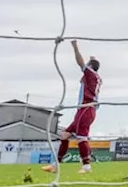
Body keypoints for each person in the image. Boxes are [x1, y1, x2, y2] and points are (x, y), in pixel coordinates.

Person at [43, 40, 102, 174]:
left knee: (82, 137)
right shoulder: (96, 77)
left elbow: (80, 62)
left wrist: (75, 47)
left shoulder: (90, 74)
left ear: (90, 67)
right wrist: (92, 59)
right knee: (64, 135)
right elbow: (89, 66)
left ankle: (86, 166)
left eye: (88, 65)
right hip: (85, 109)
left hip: (86, 108)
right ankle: (55, 165)